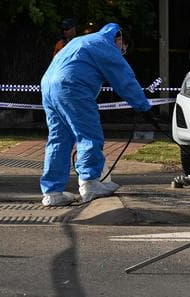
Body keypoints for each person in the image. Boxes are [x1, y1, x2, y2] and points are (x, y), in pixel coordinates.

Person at [40, 22, 156, 206]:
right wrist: (143, 106)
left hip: (48, 86)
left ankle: (52, 192)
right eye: (123, 50)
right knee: (88, 135)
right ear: (119, 39)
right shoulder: (105, 45)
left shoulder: (81, 40)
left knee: (58, 139)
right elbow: (124, 79)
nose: (121, 54)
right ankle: (89, 184)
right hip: (73, 87)